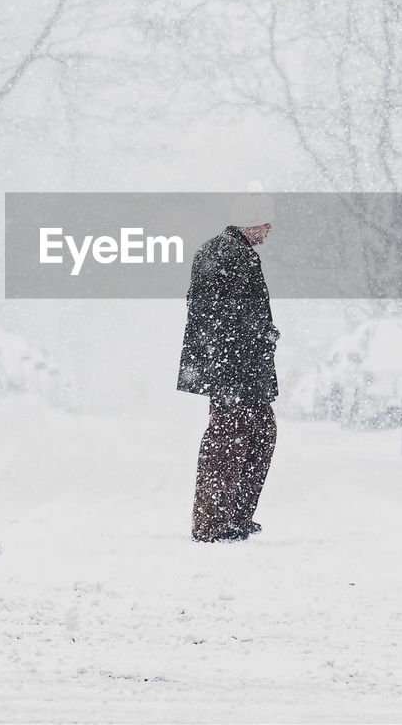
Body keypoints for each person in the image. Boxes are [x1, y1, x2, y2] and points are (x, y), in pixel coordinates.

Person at [177, 192, 280, 543]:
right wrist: (259, 332)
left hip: (236, 367)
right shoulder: (227, 254)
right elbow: (219, 313)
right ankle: (212, 523)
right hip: (234, 369)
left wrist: (260, 332)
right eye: (265, 221)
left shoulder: (229, 251)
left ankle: (231, 516)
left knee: (255, 435)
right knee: (231, 440)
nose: (269, 227)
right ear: (250, 221)